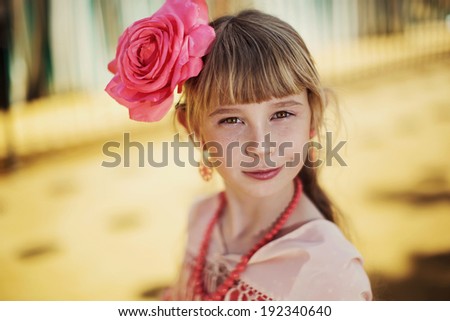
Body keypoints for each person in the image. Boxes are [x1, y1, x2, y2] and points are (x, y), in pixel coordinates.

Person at [106, 0, 372, 301]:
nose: (260, 146)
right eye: (231, 119)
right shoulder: (203, 218)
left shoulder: (328, 272)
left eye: (282, 114)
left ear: (313, 116)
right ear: (194, 130)